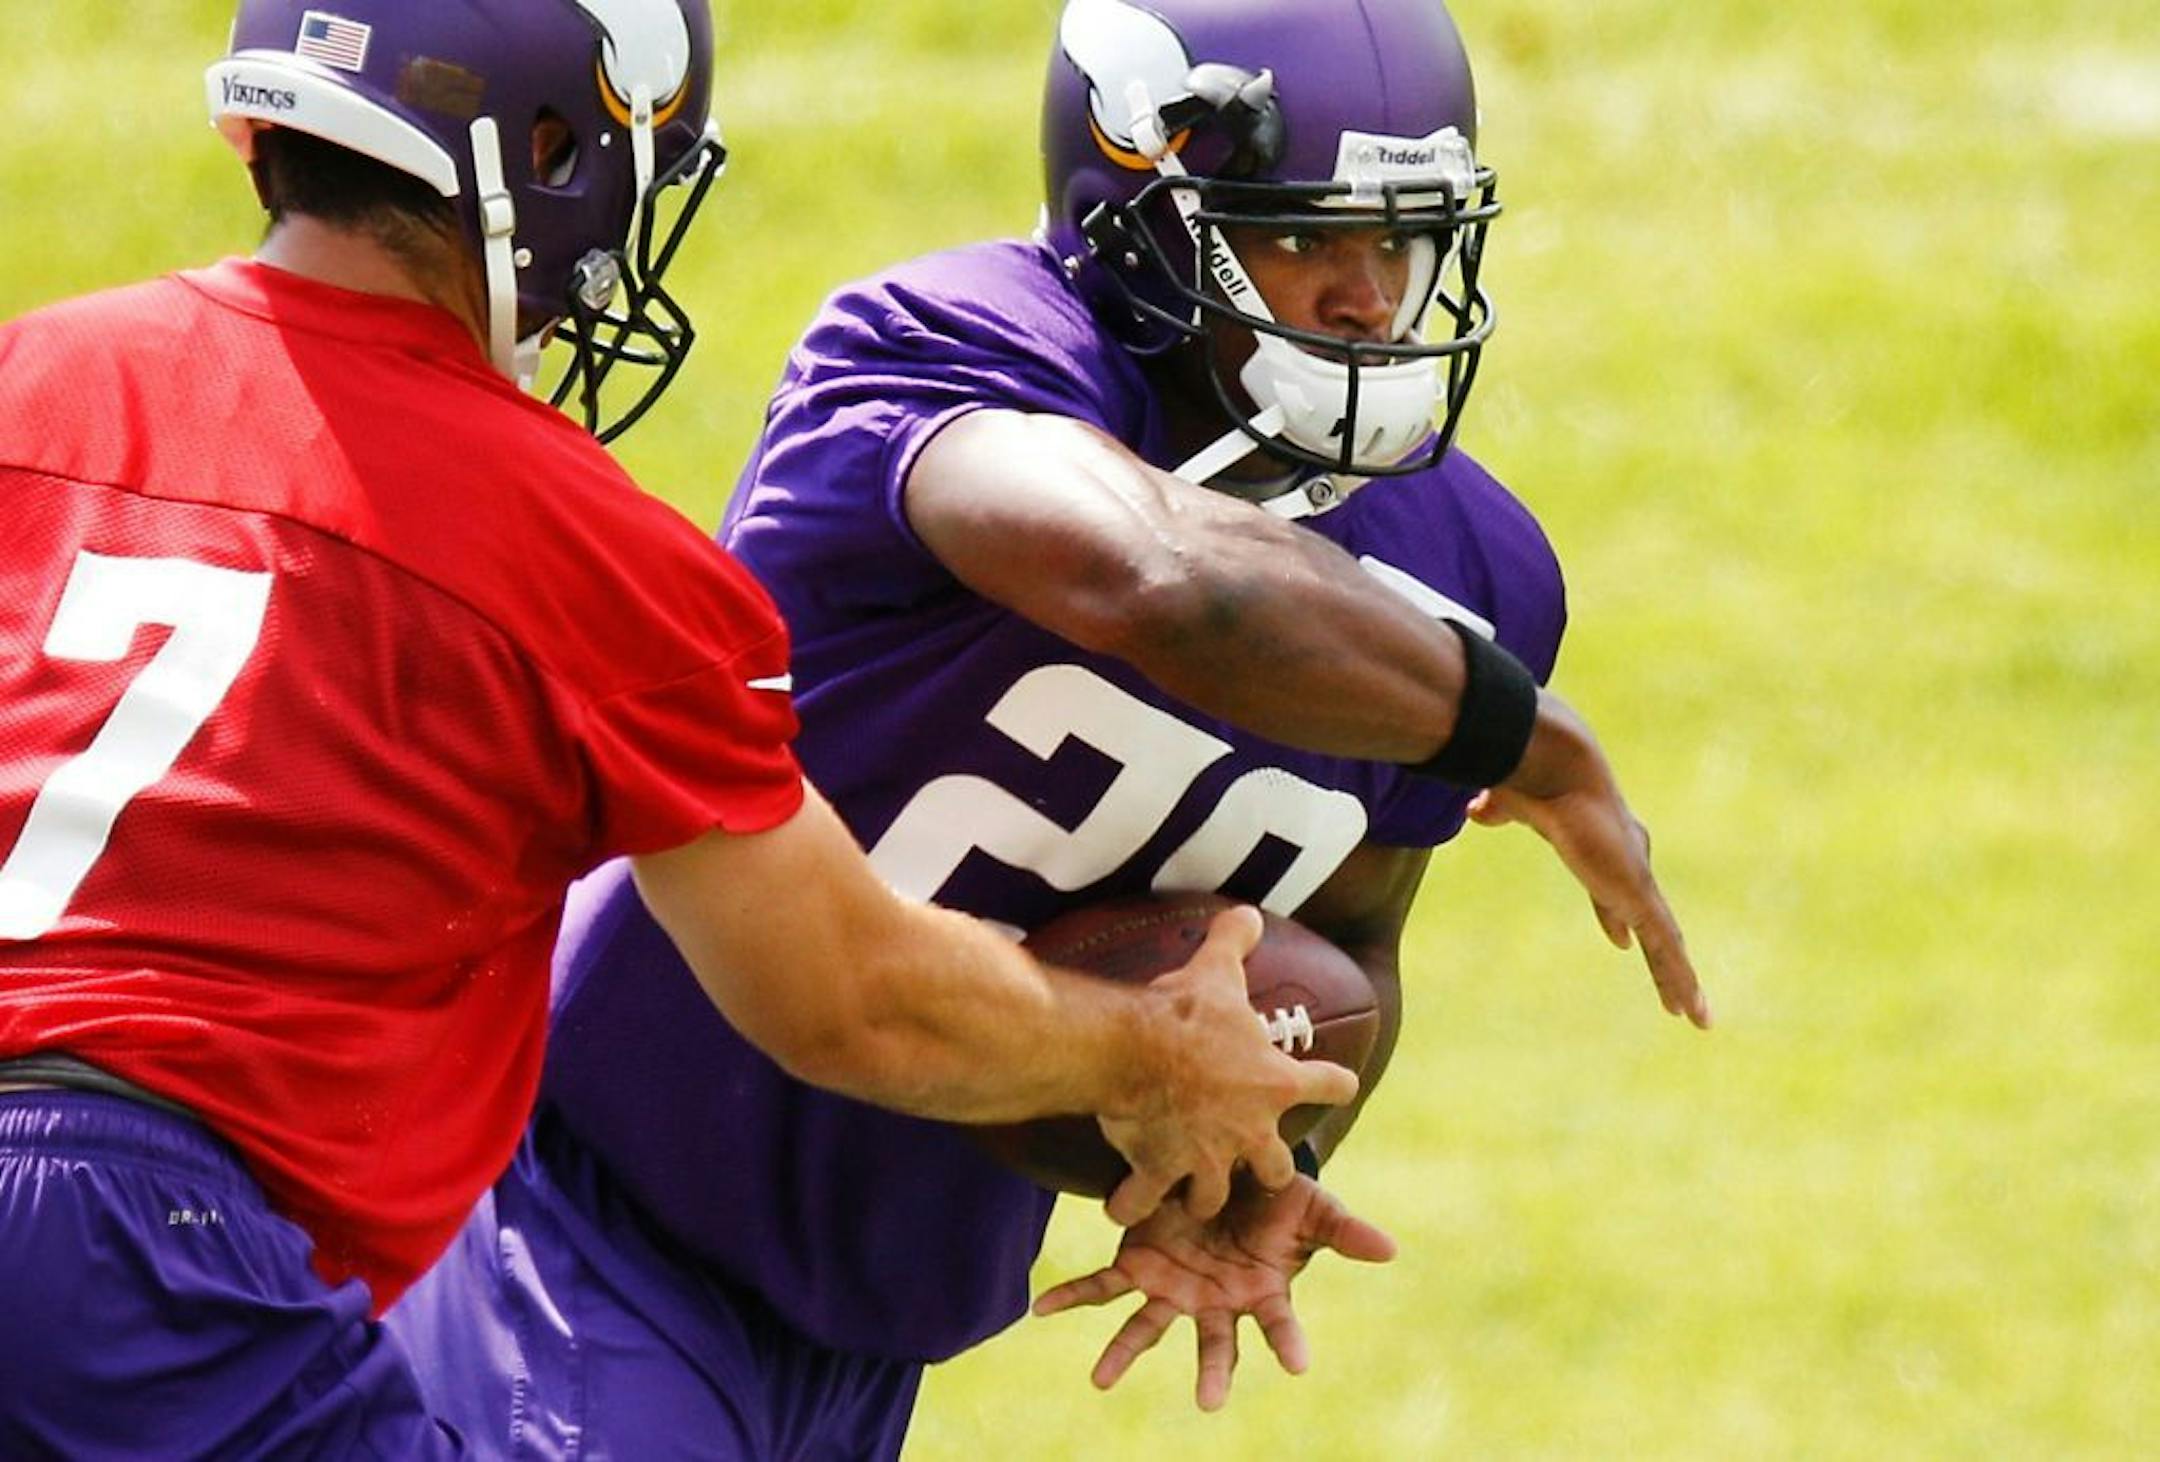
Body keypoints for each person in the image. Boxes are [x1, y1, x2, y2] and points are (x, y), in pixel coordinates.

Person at [0, 1, 1357, 1453]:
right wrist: (1149, 1056)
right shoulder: (582, 541)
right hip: (151, 1236)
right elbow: (847, 993)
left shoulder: (34, 375)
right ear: (552, 149)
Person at [390, 0, 1711, 1453]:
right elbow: (1153, 577)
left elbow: (1356, 936)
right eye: (1299, 237)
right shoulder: (947, 347)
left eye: (1396, 243)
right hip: (575, 1208)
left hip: (878, 1322)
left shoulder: (1473, 570)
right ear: (1137, 215)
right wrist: (1524, 738)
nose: (1364, 301)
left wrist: (1265, 1149)